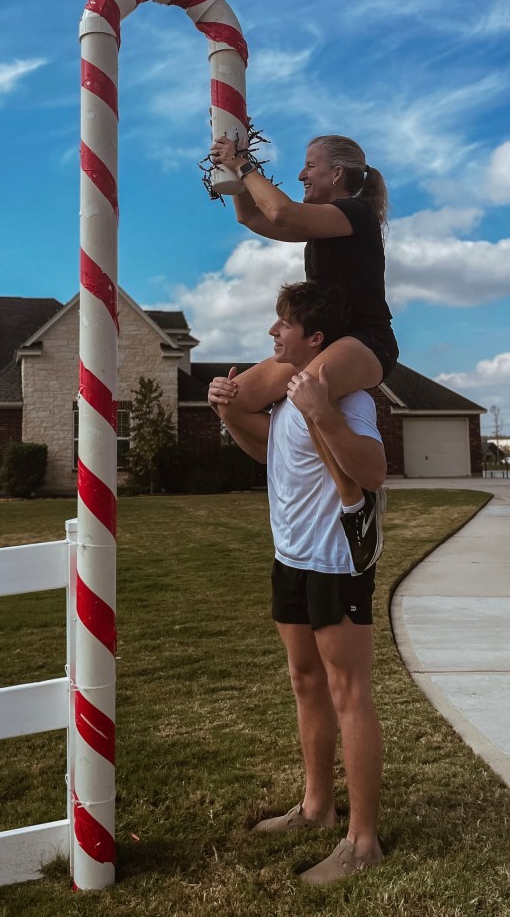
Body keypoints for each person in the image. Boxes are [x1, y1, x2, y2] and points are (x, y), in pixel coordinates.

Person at [208, 280, 386, 886]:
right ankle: (316, 808)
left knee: (347, 692)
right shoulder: (287, 397)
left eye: (282, 324)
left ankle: (362, 841)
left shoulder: (346, 398)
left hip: (336, 563)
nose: (271, 333)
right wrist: (230, 413)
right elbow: (270, 455)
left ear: (315, 339)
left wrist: (324, 413)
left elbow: (373, 472)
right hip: (291, 559)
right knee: (305, 680)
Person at [210, 133, 398, 576]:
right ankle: (289, 460)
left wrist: (244, 165)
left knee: (304, 394)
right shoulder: (322, 220)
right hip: (323, 339)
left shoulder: (355, 213)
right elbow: (256, 219)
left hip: (365, 340)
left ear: (337, 174)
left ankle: (357, 507)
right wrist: (232, 177)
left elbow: (281, 211)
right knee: (231, 401)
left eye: (309, 165)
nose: (300, 174)